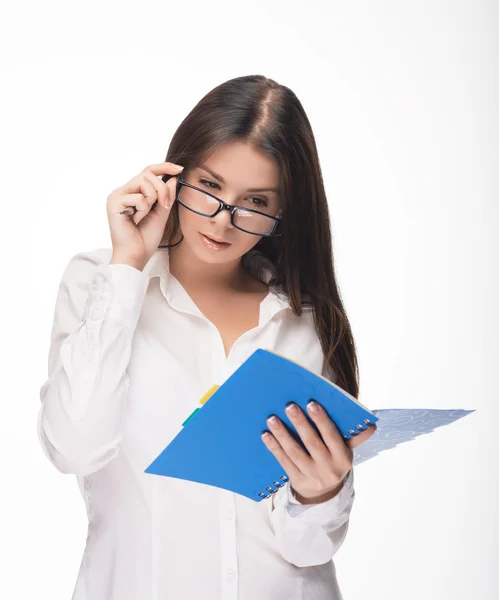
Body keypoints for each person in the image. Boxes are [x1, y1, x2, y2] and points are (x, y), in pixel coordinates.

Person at [37, 74, 375, 600]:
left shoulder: (306, 320)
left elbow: (309, 551)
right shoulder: (100, 282)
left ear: (284, 213)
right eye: (210, 188)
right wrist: (128, 265)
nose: (223, 221)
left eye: (256, 202)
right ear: (174, 174)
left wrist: (320, 494)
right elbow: (75, 448)